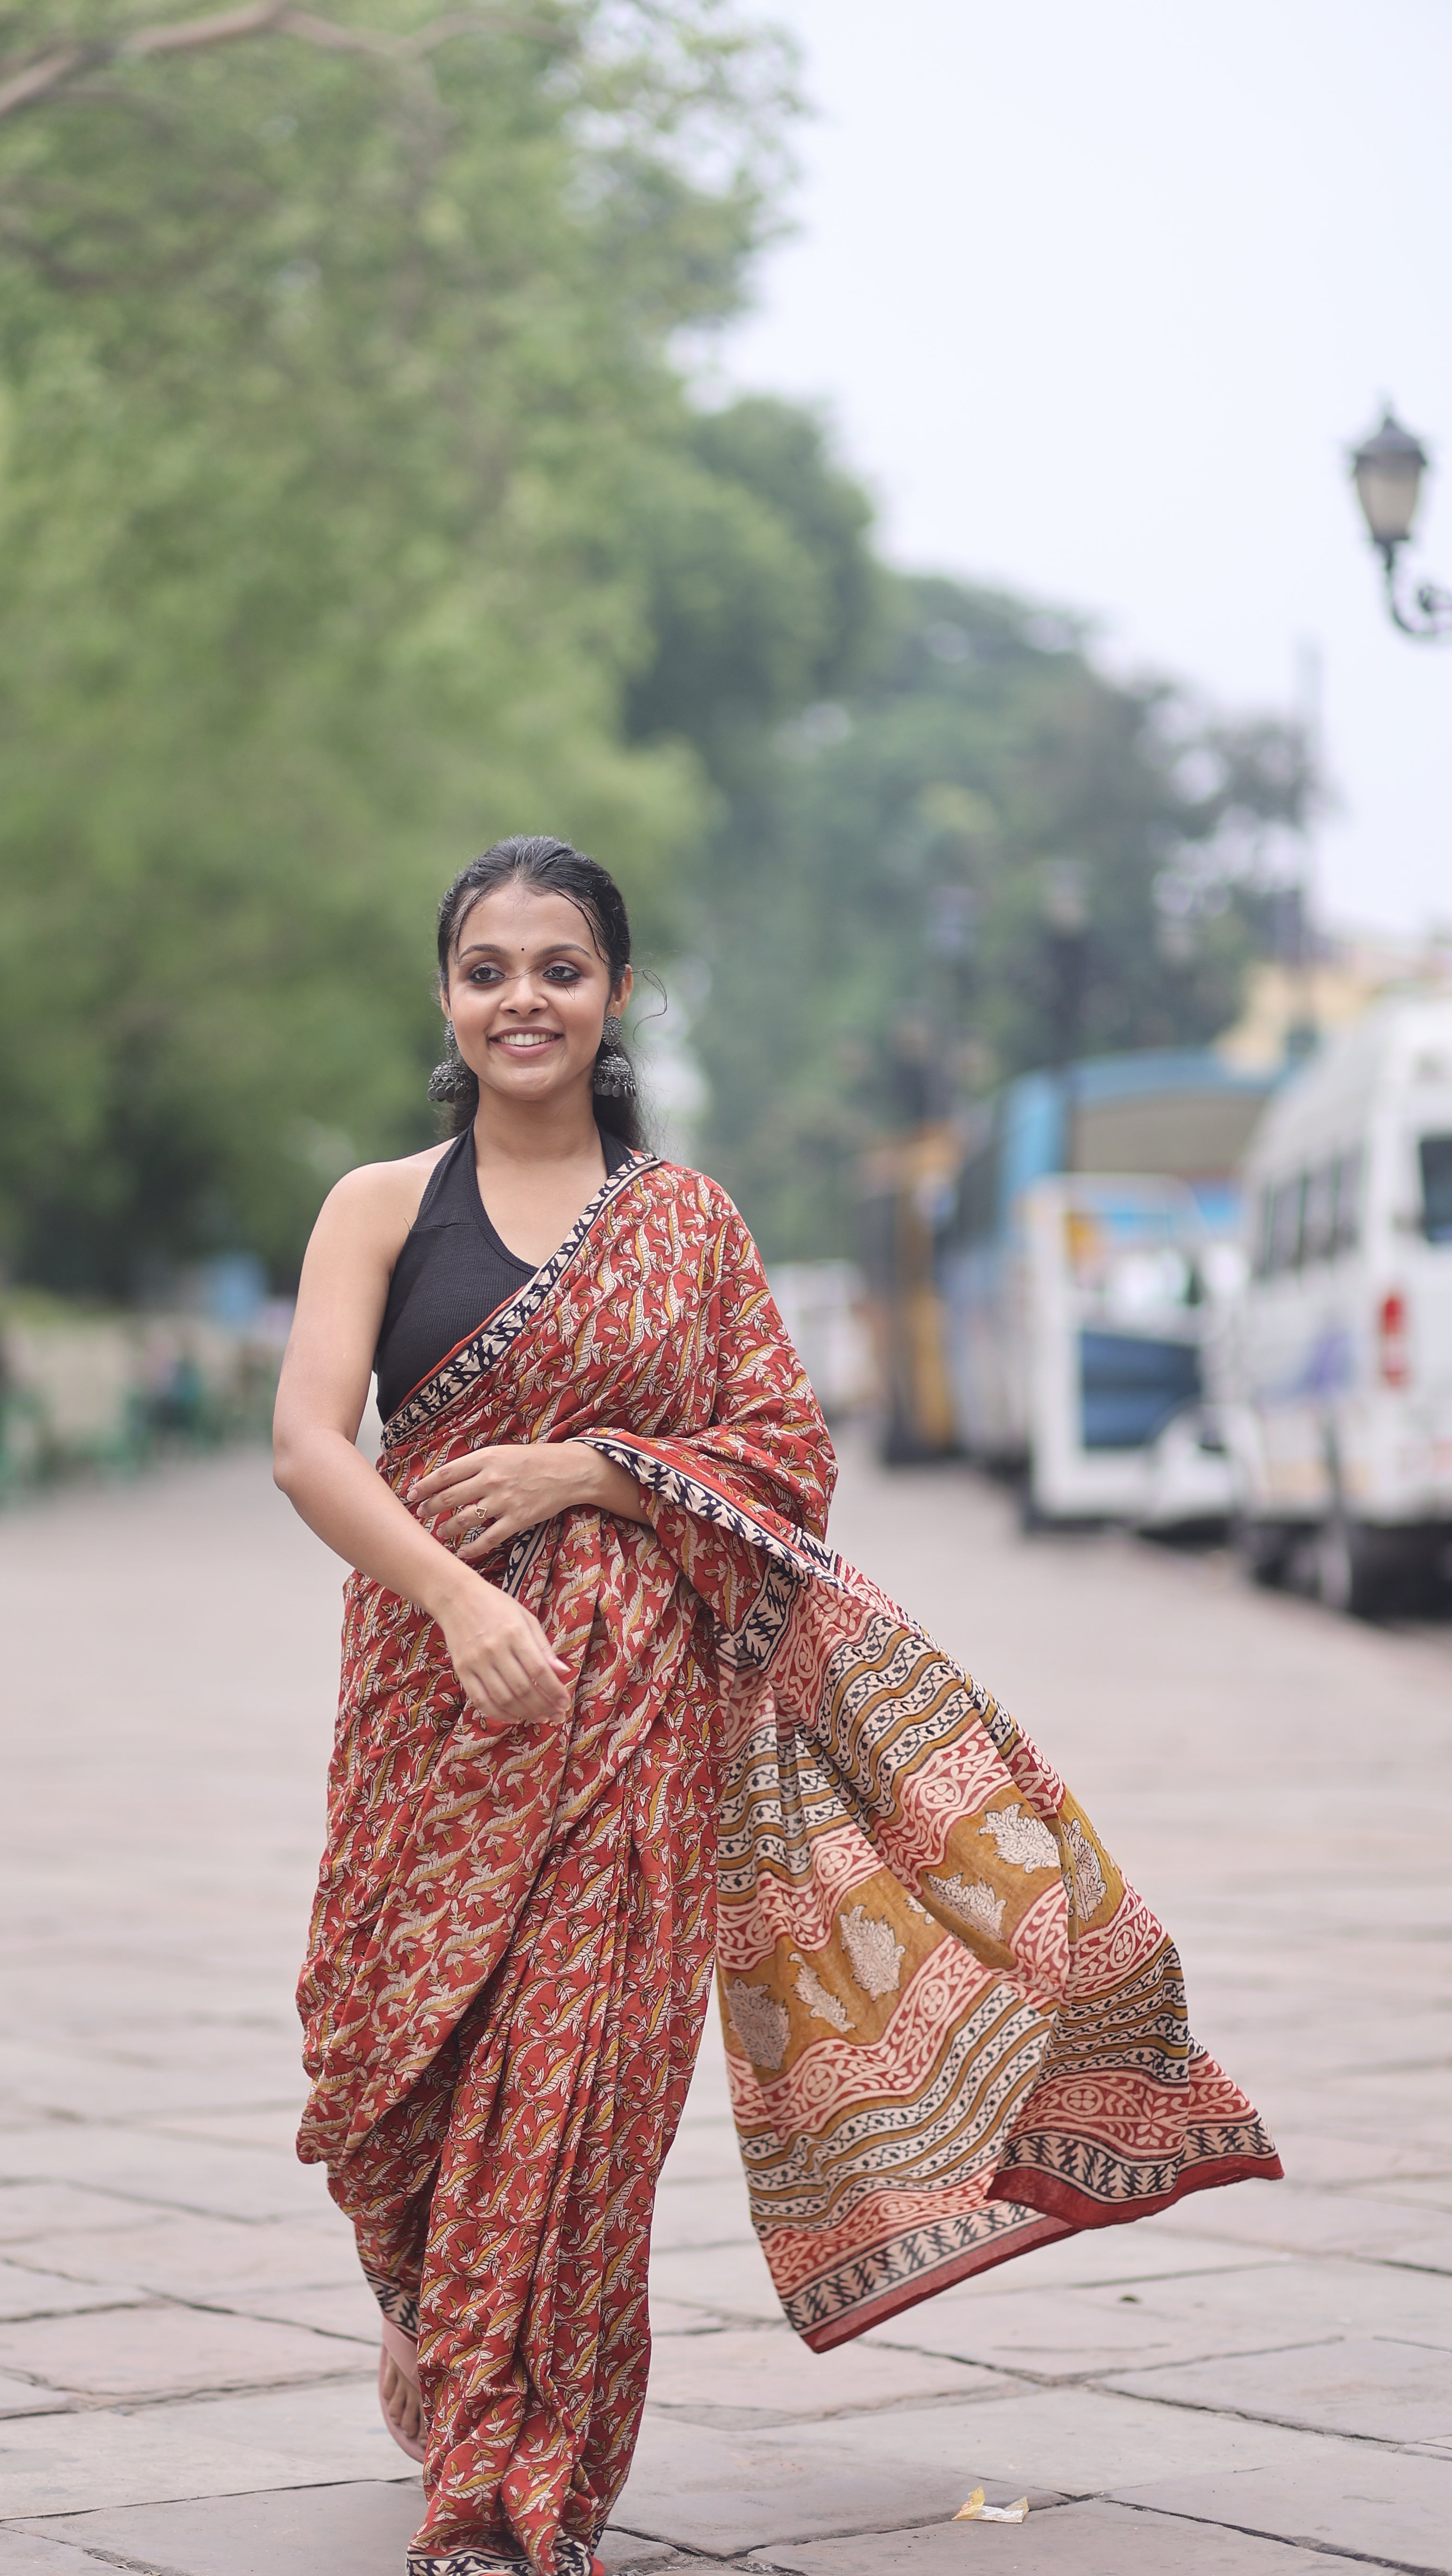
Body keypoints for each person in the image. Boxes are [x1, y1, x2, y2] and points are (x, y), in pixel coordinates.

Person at [273, 837, 1280, 2576]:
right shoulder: (379, 1202)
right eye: (488, 967)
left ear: (617, 994)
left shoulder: (689, 1222)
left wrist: (593, 1466)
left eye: (559, 966)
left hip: (632, 1732)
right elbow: (306, 1443)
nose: (524, 997)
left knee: (580, 2098)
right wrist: (451, 1598)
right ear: (444, 996)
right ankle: (432, 2317)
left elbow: (788, 1462)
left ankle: (515, 2491)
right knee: (389, 2084)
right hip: (428, 1709)